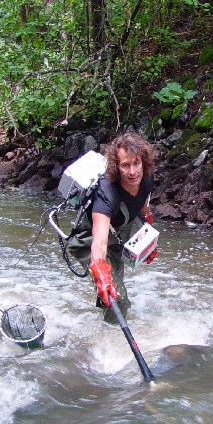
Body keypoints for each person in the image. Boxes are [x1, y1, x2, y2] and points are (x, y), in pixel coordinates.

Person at [67, 132, 157, 323]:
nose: (133, 171)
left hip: (118, 234)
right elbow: (99, 242)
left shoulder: (146, 178)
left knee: (114, 288)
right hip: (90, 238)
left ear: (143, 162)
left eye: (136, 163)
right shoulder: (107, 193)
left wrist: (148, 236)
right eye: (125, 165)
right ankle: (109, 342)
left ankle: (106, 320)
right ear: (116, 167)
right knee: (118, 298)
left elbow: (142, 206)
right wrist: (99, 271)